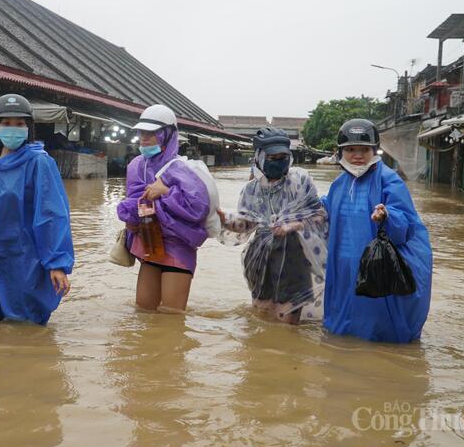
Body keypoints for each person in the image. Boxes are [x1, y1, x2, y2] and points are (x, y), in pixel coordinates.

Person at [0, 94, 73, 325]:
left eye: (19, 123)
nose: (13, 128)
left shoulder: (39, 162)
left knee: (24, 326)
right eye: (6, 123)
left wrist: (56, 263)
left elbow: (51, 214)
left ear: (29, 127)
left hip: (20, 258)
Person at [323, 119, 432, 343]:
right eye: (351, 150)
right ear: (341, 152)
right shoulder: (339, 184)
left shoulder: (389, 180)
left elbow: (405, 224)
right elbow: (327, 211)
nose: (357, 156)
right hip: (343, 264)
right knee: (344, 320)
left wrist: (387, 215)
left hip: (375, 264)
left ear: (374, 150)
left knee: (375, 319)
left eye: (364, 150)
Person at [219, 128, 327, 324]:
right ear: (259, 158)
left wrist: (291, 226)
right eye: (272, 158)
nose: (278, 162)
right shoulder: (251, 190)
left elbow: (319, 217)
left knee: (288, 320)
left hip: (293, 254)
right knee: (260, 317)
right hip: (260, 257)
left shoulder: (300, 182)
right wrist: (223, 219)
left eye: (283, 157)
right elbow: (246, 225)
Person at [116, 105, 210, 313]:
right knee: (143, 311)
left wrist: (166, 192)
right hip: (150, 244)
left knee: (171, 316)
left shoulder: (183, 169)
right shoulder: (136, 166)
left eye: (151, 133)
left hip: (177, 247)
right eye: (142, 132)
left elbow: (198, 207)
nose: (144, 138)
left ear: (167, 135)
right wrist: (130, 219)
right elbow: (134, 199)